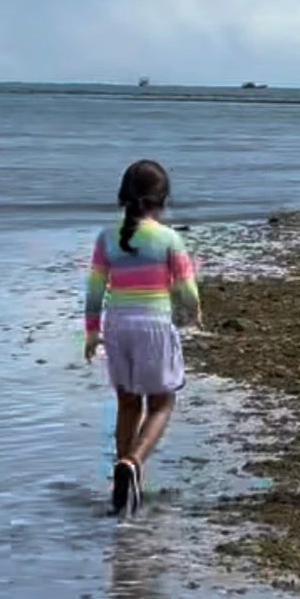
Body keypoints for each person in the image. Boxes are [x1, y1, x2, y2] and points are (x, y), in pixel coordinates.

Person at [85, 159, 201, 516]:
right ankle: (133, 463)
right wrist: (192, 315)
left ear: (123, 196)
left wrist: (92, 331)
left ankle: (120, 479)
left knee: (128, 404)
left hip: (117, 327)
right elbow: (186, 291)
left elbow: (94, 289)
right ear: (162, 199)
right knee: (162, 403)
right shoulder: (169, 239)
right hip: (153, 325)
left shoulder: (107, 238)